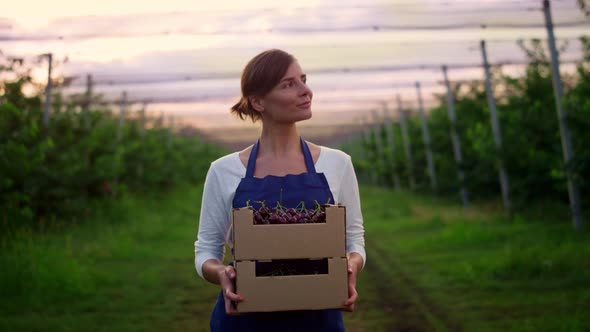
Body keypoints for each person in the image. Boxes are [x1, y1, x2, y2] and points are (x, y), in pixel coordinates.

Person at [194, 49, 366, 332]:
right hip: (245, 317)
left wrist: (351, 266)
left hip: (318, 316)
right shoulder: (223, 171)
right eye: (288, 84)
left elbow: (354, 239)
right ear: (258, 101)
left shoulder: (338, 163)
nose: (306, 91)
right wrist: (223, 273)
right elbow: (206, 251)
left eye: (303, 80)